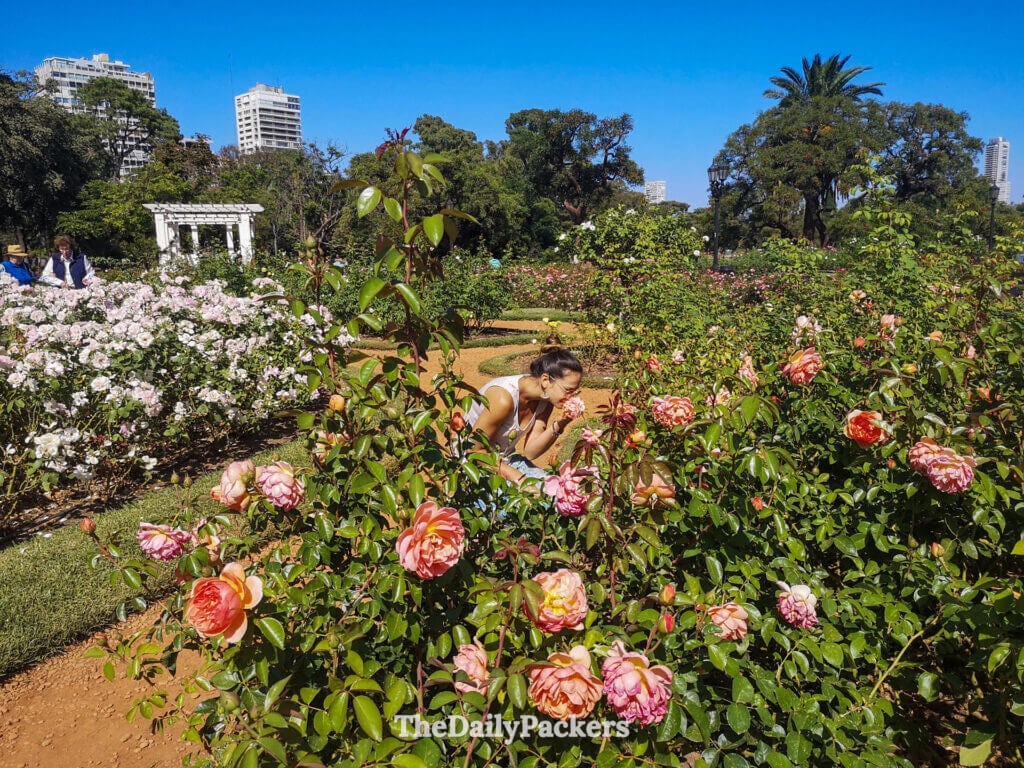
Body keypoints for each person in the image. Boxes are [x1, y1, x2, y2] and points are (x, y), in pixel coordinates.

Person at [466, 343, 583, 485]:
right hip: (472, 465)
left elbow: (531, 452)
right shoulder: (504, 398)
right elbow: (474, 451)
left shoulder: (545, 400)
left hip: (505, 460)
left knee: (556, 491)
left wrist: (560, 424)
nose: (571, 397)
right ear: (545, 380)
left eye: (575, 392)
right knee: (536, 499)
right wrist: (521, 480)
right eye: (568, 390)